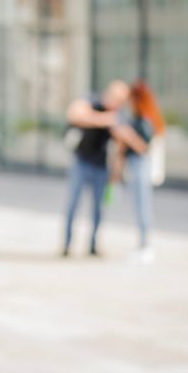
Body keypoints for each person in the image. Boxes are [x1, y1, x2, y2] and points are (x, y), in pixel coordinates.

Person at [62, 81, 145, 257]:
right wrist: (104, 120)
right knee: (73, 204)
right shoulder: (91, 101)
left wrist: (115, 175)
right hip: (81, 162)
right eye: (116, 98)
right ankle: (67, 244)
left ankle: (93, 244)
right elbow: (75, 114)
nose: (118, 103)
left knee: (99, 208)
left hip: (101, 167)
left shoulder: (119, 116)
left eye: (122, 100)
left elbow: (124, 146)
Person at [112, 80, 166, 263]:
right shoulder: (134, 118)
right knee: (138, 206)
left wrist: (128, 136)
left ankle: (146, 246)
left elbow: (145, 148)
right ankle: (142, 245)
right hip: (133, 165)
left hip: (141, 165)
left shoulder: (145, 120)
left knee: (143, 205)